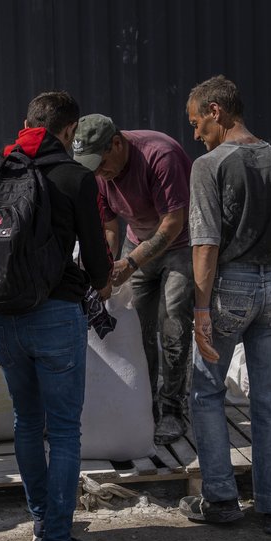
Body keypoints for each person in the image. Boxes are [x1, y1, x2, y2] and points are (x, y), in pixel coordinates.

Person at [0, 91, 111, 541]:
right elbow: (98, 263)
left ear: (25, 123)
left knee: (25, 422)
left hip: (3, 317)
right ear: (70, 132)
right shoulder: (77, 178)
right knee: (62, 430)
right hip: (57, 314)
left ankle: (42, 520)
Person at [179, 75, 271, 536]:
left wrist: (199, 310)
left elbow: (205, 244)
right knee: (269, 398)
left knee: (207, 394)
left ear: (216, 111)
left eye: (197, 122)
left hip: (228, 289)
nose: (195, 134)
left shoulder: (208, 165)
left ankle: (221, 499)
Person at [72, 114, 194, 445]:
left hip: (180, 245)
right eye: (91, 166)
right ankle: (146, 404)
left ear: (117, 143)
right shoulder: (98, 172)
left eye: (101, 162)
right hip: (136, 243)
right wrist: (107, 267)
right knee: (137, 326)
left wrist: (131, 263)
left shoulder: (159, 155)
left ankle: (172, 409)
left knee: (174, 324)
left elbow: (173, 223)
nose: (99, 172)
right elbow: (110, 227)